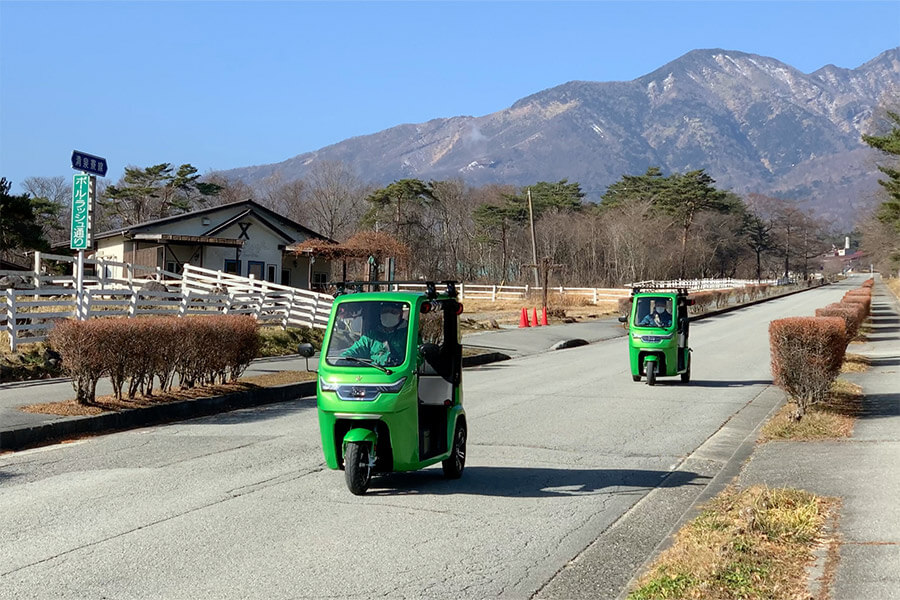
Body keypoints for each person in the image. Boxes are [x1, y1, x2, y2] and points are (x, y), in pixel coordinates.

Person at [341, 302, 408, 366]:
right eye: (385, 311)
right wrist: (343, 360)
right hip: (375, 373)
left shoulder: (408, 335)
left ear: (401, 314)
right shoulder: (372, 336)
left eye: (393, 312)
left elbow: (416, 356)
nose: (388, 315)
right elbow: (356, 349)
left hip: (397, 373)